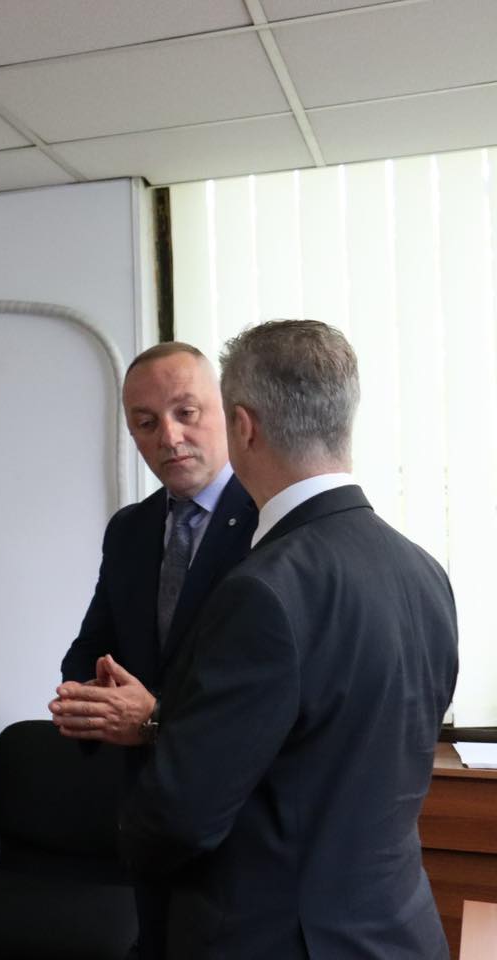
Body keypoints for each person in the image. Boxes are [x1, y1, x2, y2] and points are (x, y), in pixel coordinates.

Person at [113, 320, 458, 957]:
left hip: (277, 938)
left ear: (242, 426)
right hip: (400, 929)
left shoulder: (263, 589)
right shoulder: (425, 571)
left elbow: (184, 814)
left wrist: (128, 838)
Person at [50, 343, 257, 958]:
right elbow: (90, 649)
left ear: (228, 412)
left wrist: (154, 715)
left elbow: (259, 689)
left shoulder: (269, 522)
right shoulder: (130, 529)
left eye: (186, 412)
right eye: (145, 423)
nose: (168, 436)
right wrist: (91, 700)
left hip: (241, 822)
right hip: (149, 817)